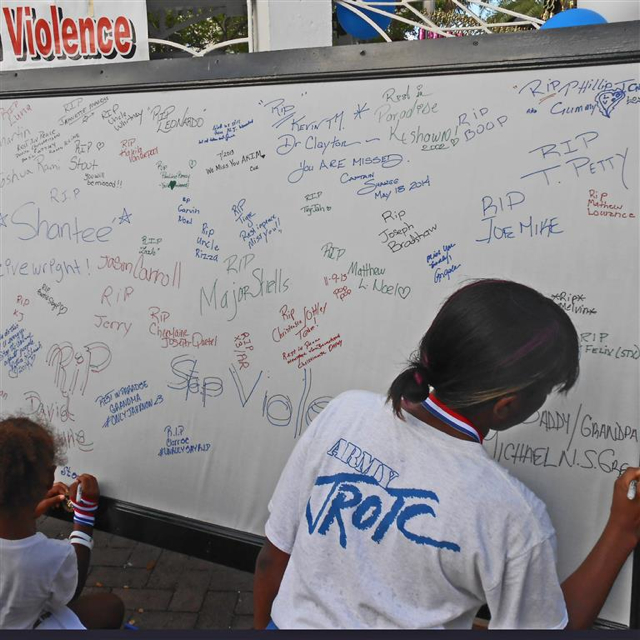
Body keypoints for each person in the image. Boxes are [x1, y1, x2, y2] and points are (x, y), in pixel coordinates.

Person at [254, 279, 640, 630]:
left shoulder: (345, 412)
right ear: (507, 407)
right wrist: (621, 531)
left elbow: (272, 561)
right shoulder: (513, 516)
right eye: (546, 391)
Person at [0, 416, 124, 630]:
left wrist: (28, 511)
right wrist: (84, 516)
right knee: (110, 607)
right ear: (50, 476)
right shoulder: (51, 557)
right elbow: (71, 591)